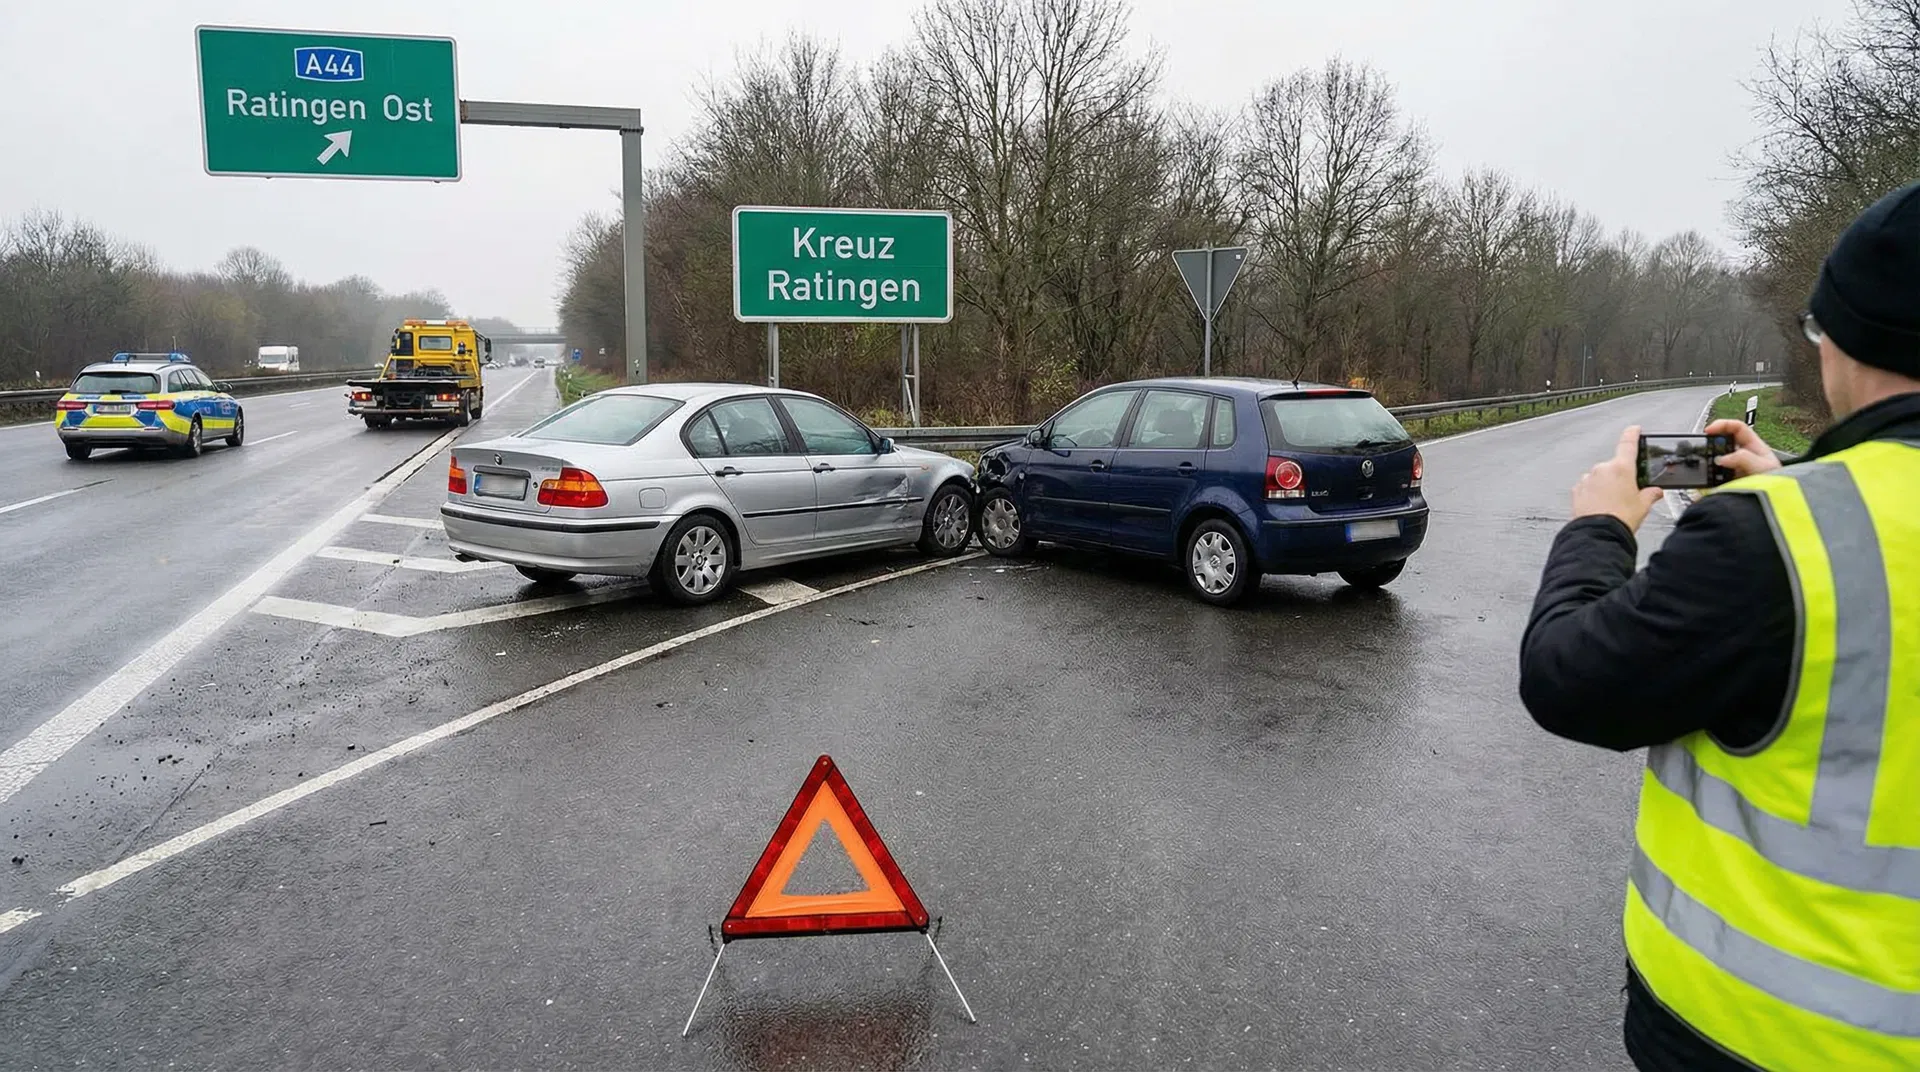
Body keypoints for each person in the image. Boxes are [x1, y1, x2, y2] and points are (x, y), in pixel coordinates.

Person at [1518, 180, 1920, 1071]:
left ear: (1850, 340)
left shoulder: (1769, 538)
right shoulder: (1798, 520)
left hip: (1767, 1037)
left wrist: (1598, 529)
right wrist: (1804, 483)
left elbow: (1568, 679)